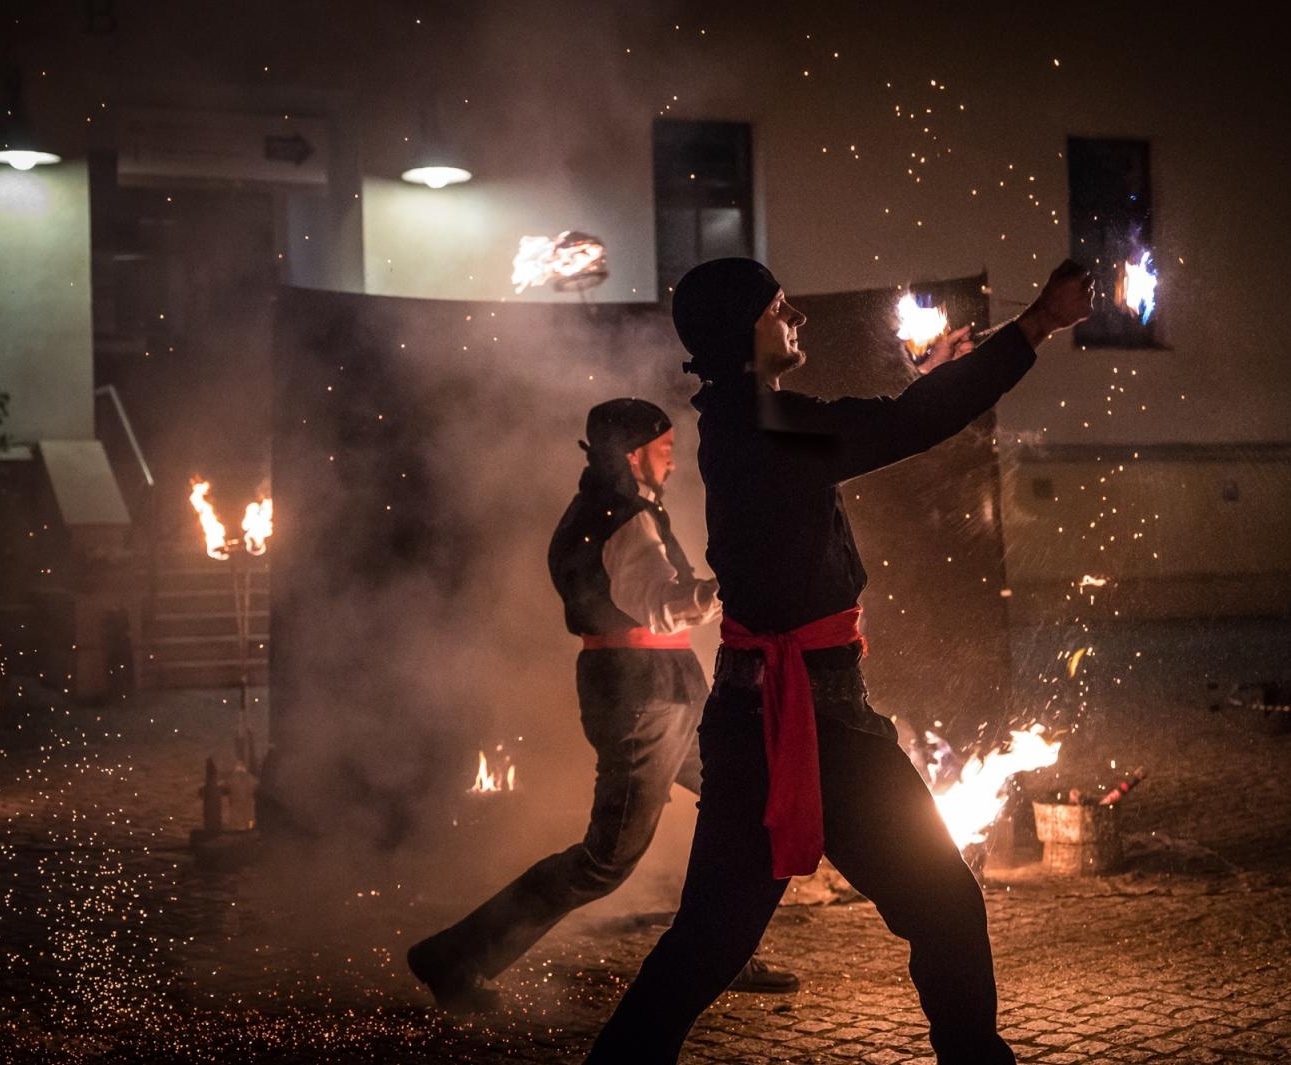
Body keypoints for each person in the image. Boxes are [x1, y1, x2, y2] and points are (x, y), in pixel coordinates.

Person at [583, 257, 1094, 1064]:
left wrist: (938, 377)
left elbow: (892, 417)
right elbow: (905, 424)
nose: (800, 319)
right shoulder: (764, 427)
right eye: (782, 308)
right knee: (926, 907)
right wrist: (1035, 324)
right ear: (744, 332)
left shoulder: (747, 420)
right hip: (797, 718)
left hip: (791, 711)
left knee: (727, 938)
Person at [408, 398, 797, 1013]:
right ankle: (453, 956)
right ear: (634, 454)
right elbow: (660, 604)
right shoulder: (621, 518)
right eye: (664, 448)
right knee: (605, 860)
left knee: (746, 806)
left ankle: (719, 952)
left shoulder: (609, 508)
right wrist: (732, 588)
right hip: (645, 695)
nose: (673, 460)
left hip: (660, 688)